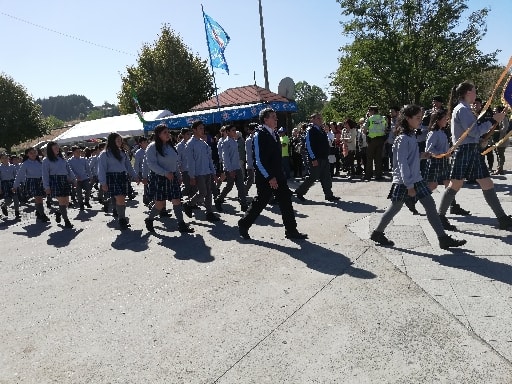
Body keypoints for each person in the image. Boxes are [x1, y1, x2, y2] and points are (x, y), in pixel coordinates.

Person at [370, 104, 466, 249]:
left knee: (429, 206)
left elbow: (409, 158)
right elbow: (402, 164)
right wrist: (409, 186)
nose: (420, 120)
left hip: (415, 179)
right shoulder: (402, 138)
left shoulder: (410, 135)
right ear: (407, 118)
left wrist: (422, 155)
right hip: (405, 181)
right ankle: (377, 232)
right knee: (394, 208)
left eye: (421, 117)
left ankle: (443, 238)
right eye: (417, 118)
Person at [436, 81, 511, 231]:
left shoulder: (464, 109)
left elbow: (473, 133)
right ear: (468, 92)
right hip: (465, 150)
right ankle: (440, 217)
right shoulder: (462, 109)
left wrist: (482, 137)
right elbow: (473, 131)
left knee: (487, 183)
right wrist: (492, 120)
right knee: (455, 184)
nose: (476, 93)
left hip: (471, 150)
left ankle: (502, 218)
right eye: (474, 90)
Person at [237, 108, 307, 240]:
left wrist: (278, 174)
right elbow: (258, 160)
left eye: (276, 117)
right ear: (265, 119)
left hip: (278, 176)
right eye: (273, 117)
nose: (276, 119)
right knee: (260, 202)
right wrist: (269, 177)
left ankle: (291, 231)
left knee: (286, 201)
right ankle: (244, 224)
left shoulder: (274, 134)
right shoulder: (259, 134)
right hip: (265, 177)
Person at [144, 124, 194, 233]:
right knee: (160, 204)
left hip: (172, 177)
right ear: (158, 134)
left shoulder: (170, 146)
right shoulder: (152, 147)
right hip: (159, 178)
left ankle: (181, 224)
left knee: (177, 200)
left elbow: (174, 163)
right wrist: (165, 173)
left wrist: (179, 175)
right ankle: (149, 219)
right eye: (165, 132)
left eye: (168, 132)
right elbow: (151, 164)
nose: (168, 134)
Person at [97, 132, 140, 230]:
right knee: (120, 198)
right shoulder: (104, 154)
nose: (120, 142)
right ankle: (122, 220)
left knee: (122, 200)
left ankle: (120, 215)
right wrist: (103, 183)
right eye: (117, 140)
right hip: (112, 177)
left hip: (123, 177)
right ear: (112, 141)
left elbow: (128, 166)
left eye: (120, 140)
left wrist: (135, 176)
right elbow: (101, 169)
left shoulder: (122, 152)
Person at [294, 113, 339, 202]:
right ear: (312, 120)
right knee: (313, 177)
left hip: (324, 157)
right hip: (316, 158)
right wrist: (313, 158)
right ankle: (299, 192)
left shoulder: (321, 130)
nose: (320, 120)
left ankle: (329, 195)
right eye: (318, 118)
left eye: (321, 118)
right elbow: (309, 145)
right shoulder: (310, 130)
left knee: (326, 176)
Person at [182, 120, 220, 222]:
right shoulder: (190, 144)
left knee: (208, 193)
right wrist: (192, 176)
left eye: (203, 128)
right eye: (200, 128)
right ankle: (189, 204)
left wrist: (214, 173)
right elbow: (190, 162)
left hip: (207, 172)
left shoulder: (204, 143)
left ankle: (209, 213)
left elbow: (209, 160)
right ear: (194, 130)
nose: (202, 130)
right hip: (198, 173)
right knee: (203, 192)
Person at [214, 124, 249, 212]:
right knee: (229, 186)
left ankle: (244, 204)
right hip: (230, 169)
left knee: (241, 186)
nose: (235, 132)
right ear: (228, 132)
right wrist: (230, 170)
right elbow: (225, 158)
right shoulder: (225, 142)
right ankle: (219, 200)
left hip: (237, 167)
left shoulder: (234, 141)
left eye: (235, 130)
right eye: (233, 130)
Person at [42, 142, 76, 228]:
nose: (57, 149)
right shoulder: (46, 160)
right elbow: (45, 175)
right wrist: (46, 187)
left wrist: (73, 179)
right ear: (50, 150)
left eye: (57, 147)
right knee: (62, 201)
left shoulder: (62, 159)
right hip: (55, 181)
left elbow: (69, 170)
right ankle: (66, 221)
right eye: (55, 148)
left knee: (67, 202)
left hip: (64, 180)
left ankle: (58, 212)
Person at [13, 147, 50, 222]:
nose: (33, 154)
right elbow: (19, 175)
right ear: (27, 154)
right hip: (32, 182)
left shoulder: (40, 161)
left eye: (34, 152)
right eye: (31, 153)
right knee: (38, 198)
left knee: (40, 199)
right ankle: (42, 215)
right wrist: (15, 185)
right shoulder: (25, 163)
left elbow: (46, 171)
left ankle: (38, 212)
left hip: (41, 181)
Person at [363, 106, 387, 181]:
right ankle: (378, 175)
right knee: (378, 158)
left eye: (369, 111)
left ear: (373, 111)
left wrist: (367, 134)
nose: (369, 112)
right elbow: (385, 128)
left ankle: (368, 175)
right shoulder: (382, 118)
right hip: (381, 140)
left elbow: (364, 130)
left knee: (369, 158)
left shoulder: (370, 119)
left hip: (372, 140)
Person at [67, 146, 92, 211]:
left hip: (85, 178)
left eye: (79, 151)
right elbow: (70, 170)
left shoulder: (83, 159)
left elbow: (88, 169)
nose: (79, 153)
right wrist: (75, 177)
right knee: (79, 193)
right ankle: (81, 204)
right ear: (73, 152)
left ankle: (86, 201)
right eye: (77, 152)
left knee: (88, 189)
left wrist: (90, 176)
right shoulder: (70, 161)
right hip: (76, 180)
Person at [0, 152, 21, 219]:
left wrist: (17, 184)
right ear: (1, 160)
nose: (5, 159)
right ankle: (4, 206)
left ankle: (17, 213)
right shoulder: (0, 168)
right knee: (8, 200)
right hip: (5, 184)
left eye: (6, 158)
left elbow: (16, 176)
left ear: (8, 158)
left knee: (16, 199)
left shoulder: (12, 166)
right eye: (3, 158)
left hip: (12, 183)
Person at [491, 106, 510, 175]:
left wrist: (495, 131)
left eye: (495, 110)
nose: (494, 112)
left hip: (501, 139)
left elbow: (505, 128)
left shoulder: (504, 118)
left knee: (500, 155)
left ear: (500, 111)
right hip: (495, 139)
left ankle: (500, 169)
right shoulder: (495, 119)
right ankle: (499, 168)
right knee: (497, 154)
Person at [244, 123, 257, 194]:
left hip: (257, 162)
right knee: (250, 179)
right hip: (251, 163)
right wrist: (250, 164)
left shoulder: (256, 138)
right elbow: (249, 153)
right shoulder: (249, 140)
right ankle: (243, 192)